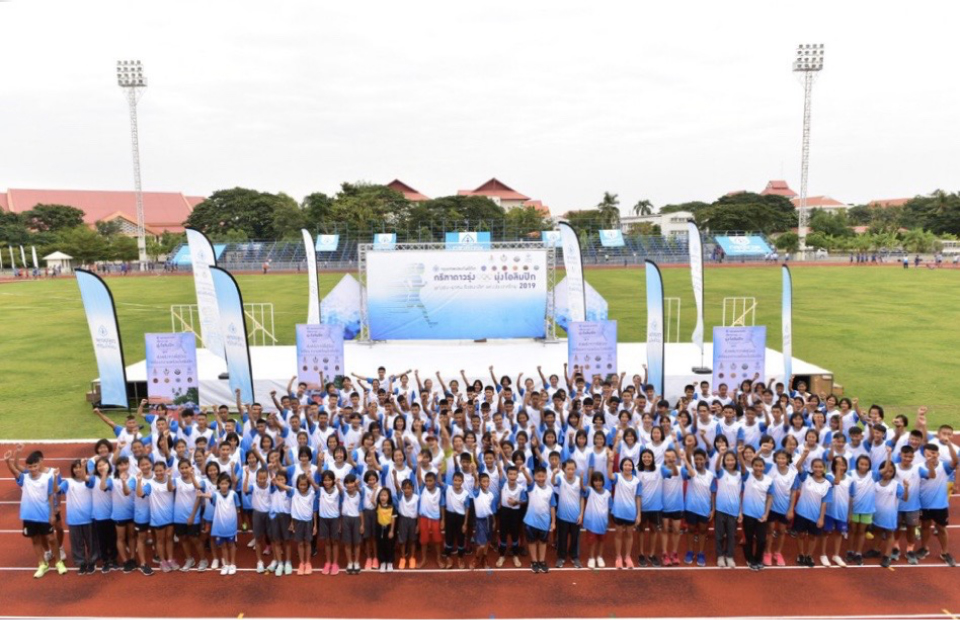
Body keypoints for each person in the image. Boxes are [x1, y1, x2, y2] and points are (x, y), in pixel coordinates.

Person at [917, 441, 957, 566]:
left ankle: (945, 552)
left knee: (941, 528)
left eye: (934, 453)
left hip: (940, 505)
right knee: (925, 526)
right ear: (924, 453)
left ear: (938, 454)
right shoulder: (919, 467)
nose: (931, 455)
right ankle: (924, 548)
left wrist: (949, 445)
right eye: (929, 453)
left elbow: (955, 461)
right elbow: (929, 476)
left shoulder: (944, 466)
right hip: (924, 504)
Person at [792, 456, 833, 567]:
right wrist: (804, 455)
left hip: (815, 515)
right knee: (801, 535)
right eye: (815, 467)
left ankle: (809, 555)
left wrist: (821, 518)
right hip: (801, 513)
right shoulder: (806, 477)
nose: (818, 469)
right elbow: (798, 466)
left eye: (820, 467)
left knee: (812, 536)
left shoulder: (827, 484)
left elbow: (824, 502)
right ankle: (801, 554)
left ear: (824, 468)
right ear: (812, 468)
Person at [59, 458, 96, 574]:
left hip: (89, 518)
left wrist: (84, 467)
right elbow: (57, 490)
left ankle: (92, 562)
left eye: (80, 467)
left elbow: (86, 479)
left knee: (91, 542)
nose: (77, 470)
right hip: (74, 519)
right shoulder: (68, 482)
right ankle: (81, 563)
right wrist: (55, 478)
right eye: (75, 467)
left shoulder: (90, 479)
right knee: (76, 544)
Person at [138, 460, 176, 572]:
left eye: (161, 470)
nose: (159, 473)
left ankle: (170, 559)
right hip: (158, 517)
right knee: (160, 540)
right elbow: (140, 494)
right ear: (154, 471)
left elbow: (170, 488)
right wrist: (139, 481)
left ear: (165, 470)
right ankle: (162, 561)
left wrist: (169, 477)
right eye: (157, 471)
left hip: (170, 516)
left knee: (169, 538)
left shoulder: (171, 480)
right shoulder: (150, 484)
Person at [681, 447, 715, 567]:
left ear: (705, 460)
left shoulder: (710, 475)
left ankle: (701, 553)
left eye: (701, 459)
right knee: (690, 530)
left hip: (704, 508)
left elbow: (713, 492)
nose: (698, 461)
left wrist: (713, 509)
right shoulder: (691, 472)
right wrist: (685, 459)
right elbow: (691, 473)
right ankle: (690, 552)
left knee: (702, 531)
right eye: (696, 459)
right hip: (691, 507)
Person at [607, 454, 641, 569]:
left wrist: (639, 514)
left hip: (631, 512)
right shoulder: (618, 477)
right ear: (622, 466)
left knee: (629, 535)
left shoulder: (637, 481)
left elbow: (638, 497)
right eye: (625, 465)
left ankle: (627, 557)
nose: (628, 467)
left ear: (632, 467)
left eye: (630, 465)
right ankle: (618, 557)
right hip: (618, 512)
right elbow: (610, 475)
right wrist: (610, 462)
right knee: (618, 534)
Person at [741, 456, 773, 571]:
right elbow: (742, 466)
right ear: (752, 466)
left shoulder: (769, 480)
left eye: (760, 466)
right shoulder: (747, 476)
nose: (758, 468)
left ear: (764, 467)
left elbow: (770, 497)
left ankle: (758, 559)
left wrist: (766, 514)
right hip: (748, 514)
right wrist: (739, 454)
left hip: (761, 515)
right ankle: (750, 559)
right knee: (749, 538)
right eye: (756, 465)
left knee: (761, 540)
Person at [523, 465, 557, 574]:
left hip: (544, 521)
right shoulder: (532, 486)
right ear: (535, 477)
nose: (541, 478)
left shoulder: (550, 490)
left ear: (546, 476)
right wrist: (524, 471)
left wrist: (553, 522)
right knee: (532, 542)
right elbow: (529, 479)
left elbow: (552, 506)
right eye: (538, 476)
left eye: (543, 476)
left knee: (543, 542)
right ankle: (534, 561)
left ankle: (542, 561)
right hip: (531, 521)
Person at [713, 451, 741, 568]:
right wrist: (720, 454)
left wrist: (740, 511)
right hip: (720, 509)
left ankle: (729, 556)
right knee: (719, 535)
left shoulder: (739, 475)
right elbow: (716, 466)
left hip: (733, 510)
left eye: (732, 460)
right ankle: (720, 556)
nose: (730, 462)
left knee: (731, 535)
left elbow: (740, 494)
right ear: (724, 461)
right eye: (727, 460)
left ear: (735, 461)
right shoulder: (721, 472)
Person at [553, 459, 583, 568]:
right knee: (562, 537)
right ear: (564, 469)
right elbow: (553, 482)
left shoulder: (579, 480)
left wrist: (581, 514)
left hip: (575, 516)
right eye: (568, 469)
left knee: (575, 538)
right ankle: (561, 557)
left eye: (572, 469)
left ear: (575, 469)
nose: (570, 471)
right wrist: (554, 473)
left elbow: (582, 498)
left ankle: (574, 557)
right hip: (562, 516)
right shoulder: (560, 478)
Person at [209, 472, 241, 575]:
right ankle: (226, 564)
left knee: (231, 545)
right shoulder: (215, 495)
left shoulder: (233, 494)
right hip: (219, 525)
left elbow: (237, 508)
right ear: (218, 484)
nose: (224, 485)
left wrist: (236, 522)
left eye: (226, 483)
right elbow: (214, 504)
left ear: (229, 484)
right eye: (222, 483)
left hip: (231, 525)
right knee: (223, 546)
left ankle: (233, 563)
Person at [582, 472, 611, 568]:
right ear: (592, 482)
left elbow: (609, 508)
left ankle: (600, 556)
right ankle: (591, 557)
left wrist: (608, 521)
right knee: (592, 541)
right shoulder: (590, 491)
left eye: (600, 480)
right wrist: (581, 479)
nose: (598, 483)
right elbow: (583, 488)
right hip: (592, 522)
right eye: (595, 481)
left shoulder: (607, 494)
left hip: (603, 522)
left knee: (601, 540)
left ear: (603, 481)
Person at [374, 488, 398, 572]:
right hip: (380, 528)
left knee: (389, 545)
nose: (383, 497)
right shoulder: (378, 506)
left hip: (389, 528)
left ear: (389, 497)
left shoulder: (392, 507)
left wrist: (391, 531)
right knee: (381, 545)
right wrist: (375, 490)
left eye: (385, 495)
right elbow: (372, 501)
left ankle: (390, 562)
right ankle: (383, 562)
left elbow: (393, 519)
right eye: (381, 495)